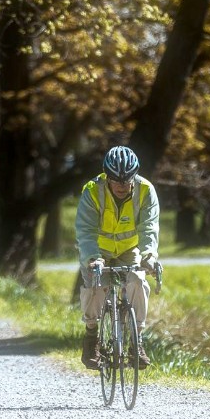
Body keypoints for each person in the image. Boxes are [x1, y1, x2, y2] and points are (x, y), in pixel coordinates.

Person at [75, 145, 159, 370]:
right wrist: (93, 258)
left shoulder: (145, 190)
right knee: (95, 285)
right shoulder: (92, 190)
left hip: (128, 249)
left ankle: (137, 341)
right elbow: (85, 230)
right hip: (98, 251)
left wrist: (149, 255)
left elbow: (149, 227)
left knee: (138, 281)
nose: (122, 185)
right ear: (106, 176)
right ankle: (91, 335)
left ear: (135, 175)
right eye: (115, 179)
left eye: (127, 179)